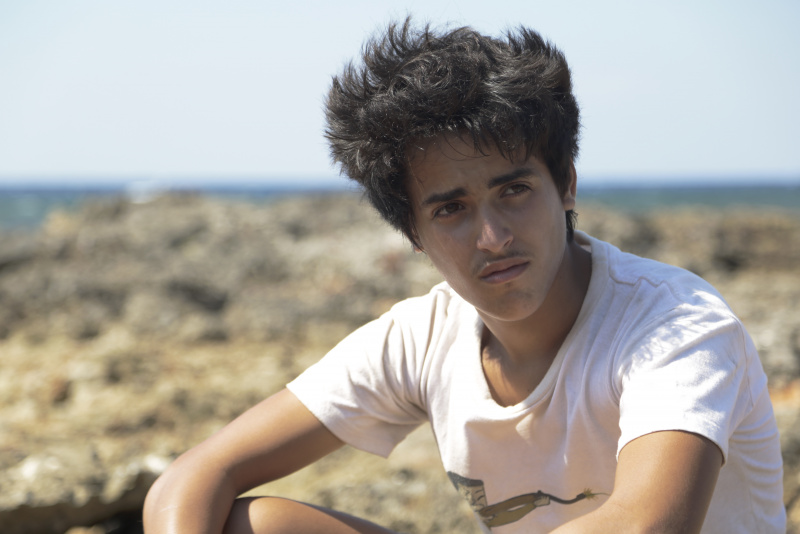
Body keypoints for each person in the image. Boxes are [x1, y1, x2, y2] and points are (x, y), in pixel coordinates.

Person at [142, 19, 786, 533]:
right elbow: (195, 475)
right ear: (413, 234)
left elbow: (645, 523)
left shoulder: (675, 324)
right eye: (451, 209)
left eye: (514, 191)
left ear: (565, 184)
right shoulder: (422, 338)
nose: (493, 237)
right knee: (253, 526)